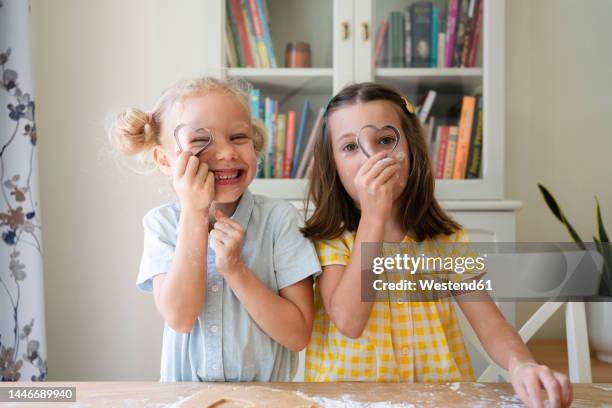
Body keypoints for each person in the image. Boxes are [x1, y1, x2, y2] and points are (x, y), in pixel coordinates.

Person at [302, 82, 572, 408]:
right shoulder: (331, 240)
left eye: (386, 140)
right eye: (349, 147)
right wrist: (374, 217)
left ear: (412, 150)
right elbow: (349, 321)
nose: (372, 156)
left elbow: (489, 323)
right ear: (333, 166)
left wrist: (522, 364)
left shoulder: (444, 241)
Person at [108, 77, 320, 381]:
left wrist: (236, 270)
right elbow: (180, 317)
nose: (226, 153)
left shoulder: (279, 220)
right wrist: (194, 213)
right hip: (187, 400)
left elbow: (298, 334)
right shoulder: (162, 225)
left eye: (238, 137)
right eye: (199, 141)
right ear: (164, 159)